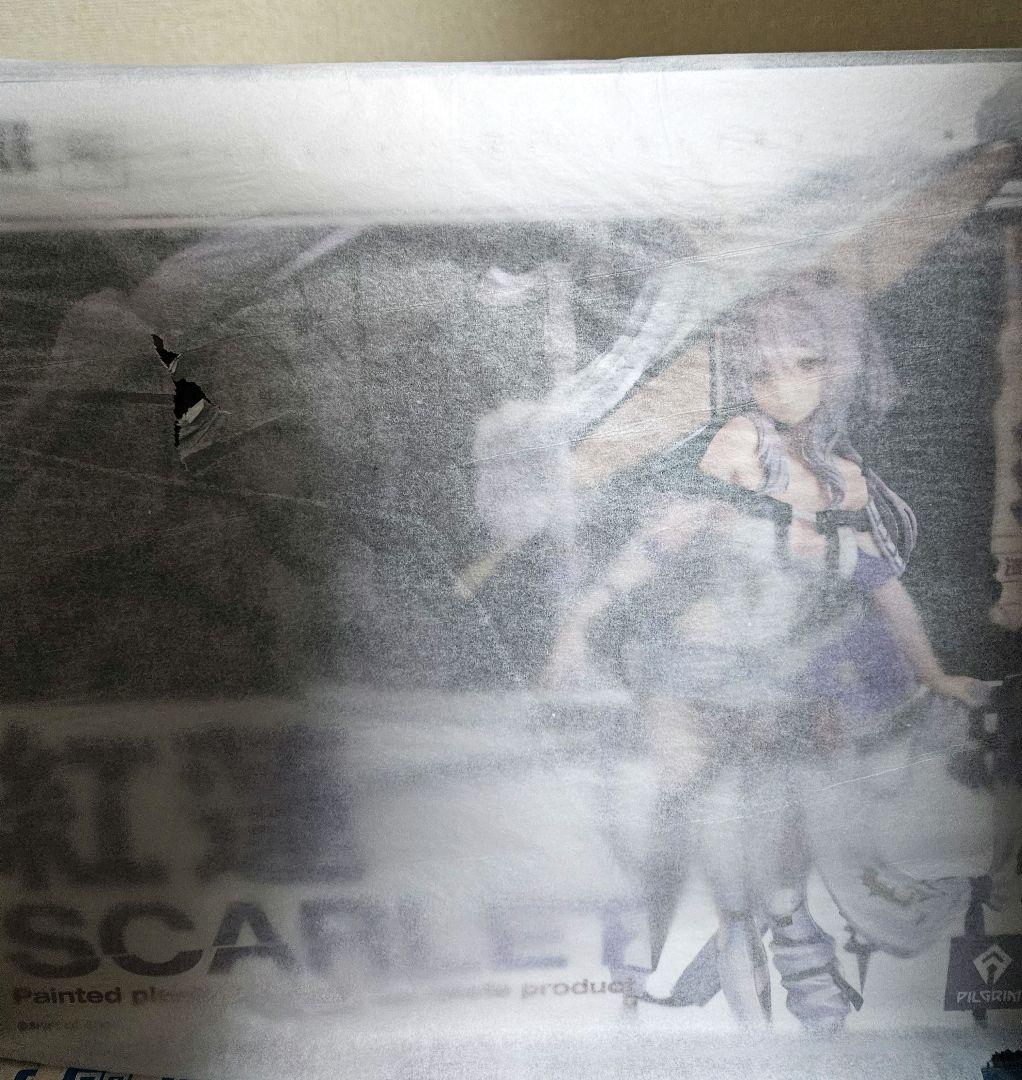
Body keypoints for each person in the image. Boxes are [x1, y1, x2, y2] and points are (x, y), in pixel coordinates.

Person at [549, 273, 993, 1033]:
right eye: (762, 371)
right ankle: (707, 981)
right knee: (702, 822)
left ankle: (792, 950)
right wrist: (577, 621)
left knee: (789, 828)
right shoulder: (740, 443)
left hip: (778, 678)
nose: (782, 386)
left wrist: (933, 673)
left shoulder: (849, 484)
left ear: (840, 366)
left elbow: (887, 589)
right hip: (689, 670)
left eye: (806, 363)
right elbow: (662, 539)